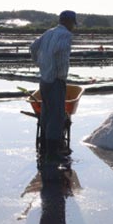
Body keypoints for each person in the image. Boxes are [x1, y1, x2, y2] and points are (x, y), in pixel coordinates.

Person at [30, 10, 77, 157]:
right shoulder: (66, 35)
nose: (73, 27)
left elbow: (33, 47)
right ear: (69, 22)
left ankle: (45, 146)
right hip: (56, 80)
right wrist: (61, 74)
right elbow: (60, 53)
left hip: (44, 80)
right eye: (73, 24)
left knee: (46, 112)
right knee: (56, 116)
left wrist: (40, 63)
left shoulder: (49, 32)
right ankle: (52, 153)